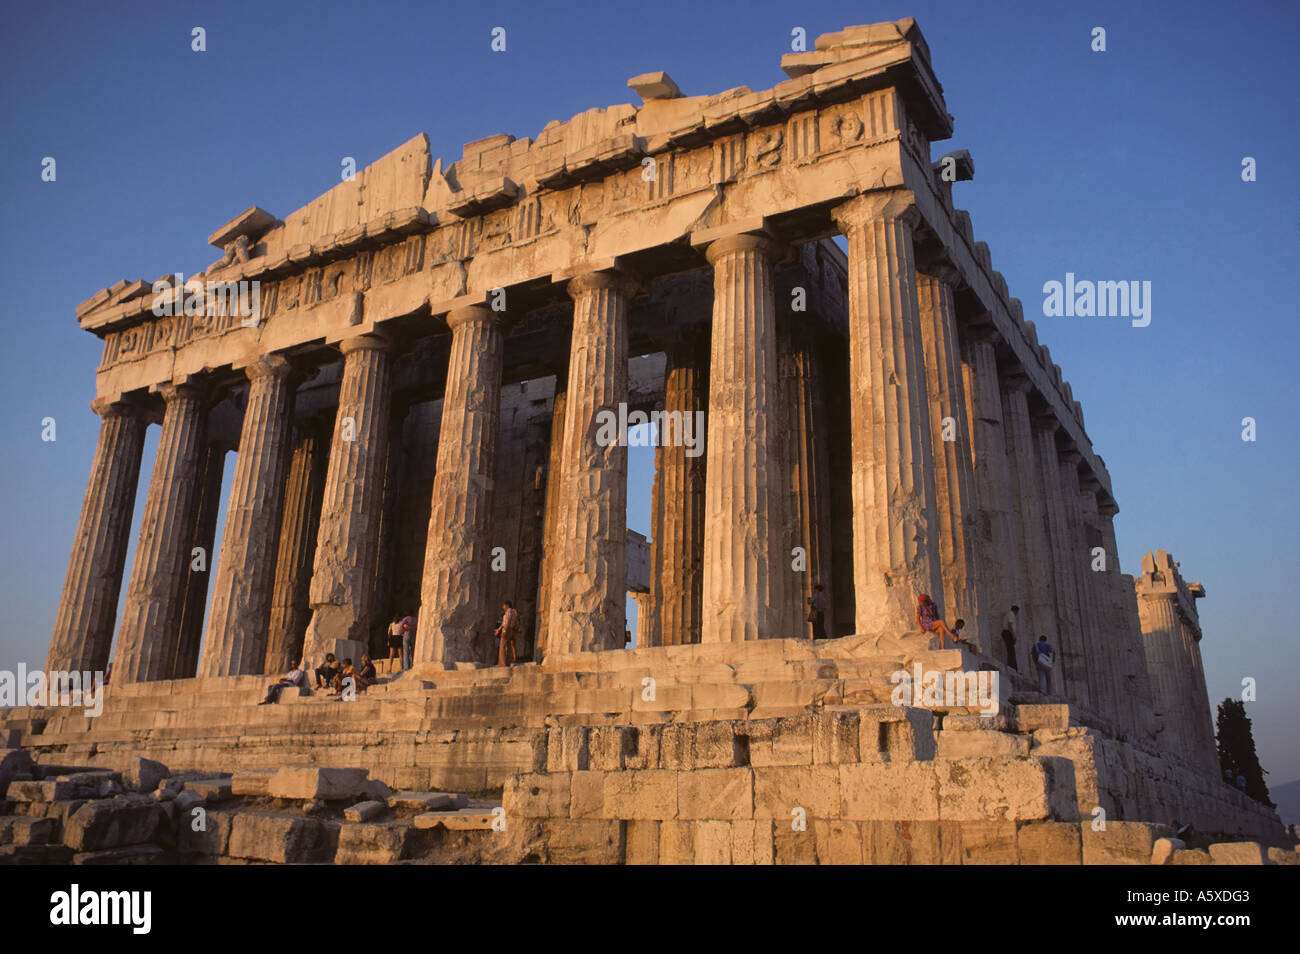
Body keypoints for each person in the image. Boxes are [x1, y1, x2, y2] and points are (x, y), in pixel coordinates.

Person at [495, 600, 520, 668]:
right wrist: (498, 630)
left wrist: (505, 630)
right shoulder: (510, 612)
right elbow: (503, 623)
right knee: (508, 646)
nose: (503, 607)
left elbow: (508, 621)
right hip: (509, 629)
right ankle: (508, 662)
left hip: (508, 629)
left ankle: (502, 663)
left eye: (503, 605)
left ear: (507, 605)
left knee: (502, 645)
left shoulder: (509, 611)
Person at [1001, 605, 1020, 671]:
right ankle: (1012, 667)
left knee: (1011, 650)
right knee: (1011, 650)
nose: (1017, 614)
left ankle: (1012, 666)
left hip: (1007, 633)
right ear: (1015, 611)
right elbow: (1010, 625)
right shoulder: (1011, 614)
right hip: (1008, 633)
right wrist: (1013, 635)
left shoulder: (1009, 614)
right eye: (1017, 612)